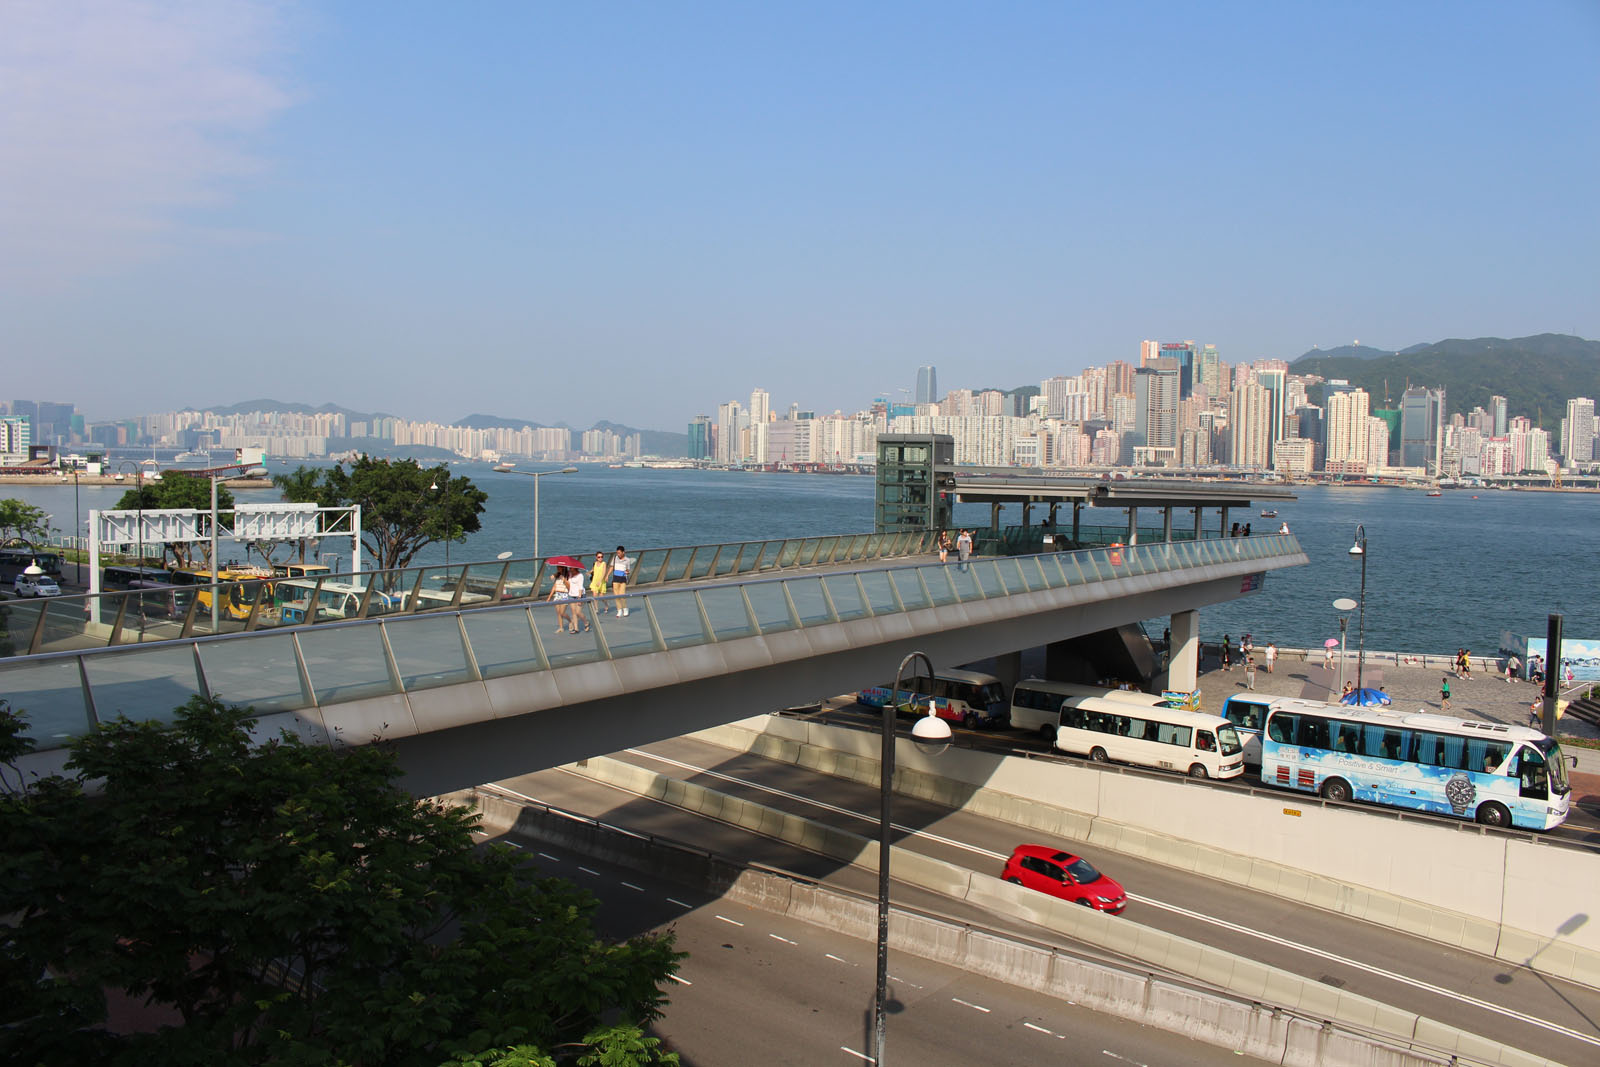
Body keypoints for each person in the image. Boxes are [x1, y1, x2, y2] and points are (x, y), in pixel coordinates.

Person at [610, 546, 633, 616]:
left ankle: (625, 608)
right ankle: (619, 610)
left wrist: (627, 572)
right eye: (617, 553)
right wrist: (607, 575)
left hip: (623, 578)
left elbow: (628, 570)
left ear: (623, 552)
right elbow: (611, 567)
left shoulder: (627, 560)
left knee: (622, 595)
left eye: (619, 553)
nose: (618, 554)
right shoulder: (614, 558)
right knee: (616, 595)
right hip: (615, 578)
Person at [548, 566, 571, 633]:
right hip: (557, 594)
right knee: (558, 613)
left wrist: (564, 580)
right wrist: (549, 597)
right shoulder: (557, 575)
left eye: (559, 567)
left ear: (563, 568)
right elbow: (554, 586)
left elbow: (569, 587)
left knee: (562, 612)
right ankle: (561, 627)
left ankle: (570, 621)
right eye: (557, 567)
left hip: (565, 594)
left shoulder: (568, 575)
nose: (558, 568)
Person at [566, 566, 588, 633]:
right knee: (573, 612)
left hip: (580, 595)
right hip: (571, 595)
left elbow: (580, 587)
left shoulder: (580, 575)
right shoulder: (569, 574)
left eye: (571, 568)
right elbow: (568, 584)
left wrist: (579, 598)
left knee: (578, 612)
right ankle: (576, 628)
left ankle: (586, 623)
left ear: (575, 568)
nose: (570, 569)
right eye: (569, 568)